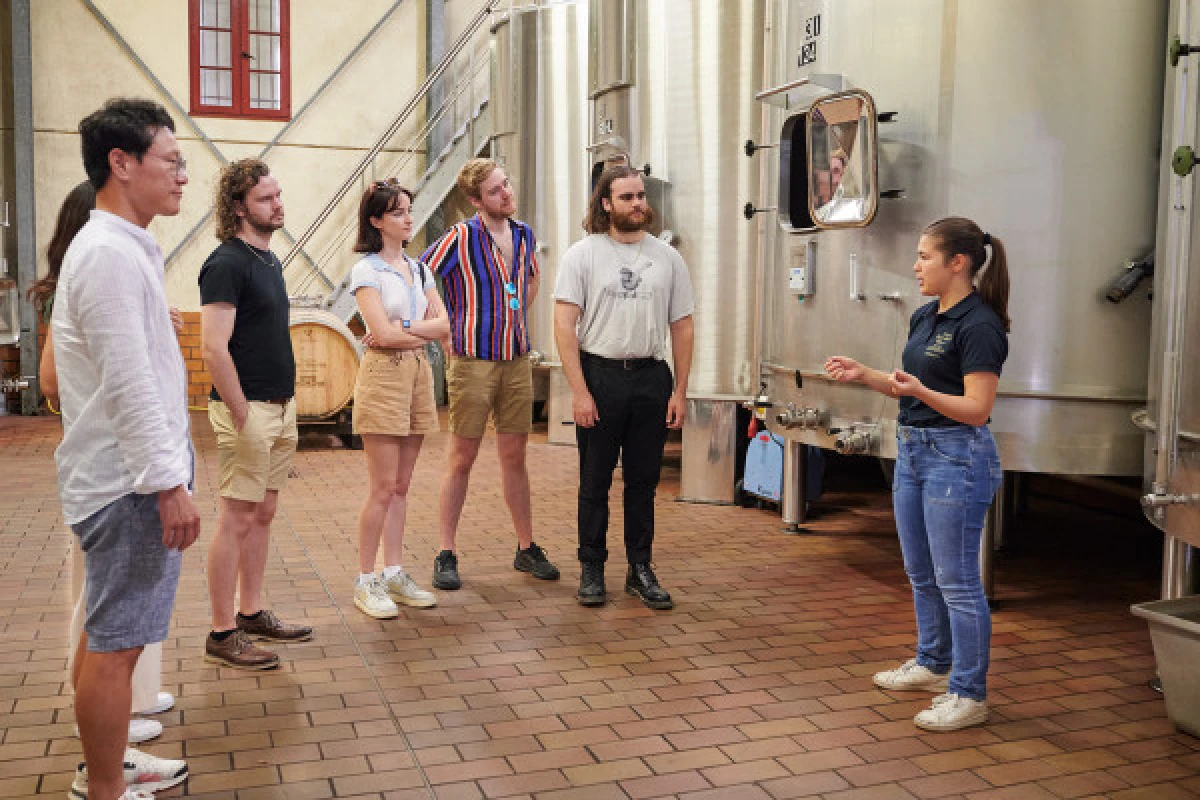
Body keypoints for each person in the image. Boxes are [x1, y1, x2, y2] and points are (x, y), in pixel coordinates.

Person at [55, 97, 199, 800]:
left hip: (122, 481)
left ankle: (105, 762)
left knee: (108, 635)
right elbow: (131, 385)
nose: (182, 176)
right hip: (128, 488)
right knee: (117, 646)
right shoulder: (108, 253)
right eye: (171, 162)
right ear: (122, 163)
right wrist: (168, 484)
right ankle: (107, 787)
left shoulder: (122, 244)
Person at [824, 216, 1008, 732]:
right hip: (913, 452)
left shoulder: (980, 325)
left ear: (959, 262)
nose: (916, 265)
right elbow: (909, 384)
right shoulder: (926, 315)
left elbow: (976, 408)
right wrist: (866, 375)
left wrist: (920, 393)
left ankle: (970, 694)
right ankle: (932, 664)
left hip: (957, 458)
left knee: (959, 583)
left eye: (925, 256)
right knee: (921, 572)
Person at [552, 164, 695, 610]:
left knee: (643, 483)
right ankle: (591, 567)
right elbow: (563, 325)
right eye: (628, 197)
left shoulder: (667, 257)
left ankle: (640, 568)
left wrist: (680, 391)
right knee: (594, 482)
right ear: (606, 204)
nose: (638, 204)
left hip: (652, 378)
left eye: (641, 196)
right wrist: (579, 391)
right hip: (601, 376)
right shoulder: (583, 255)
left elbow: (683, 326)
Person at [421, 158, 560, 589]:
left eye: (507, 184)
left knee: (515, 458)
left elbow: (531, 279)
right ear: (476, 200)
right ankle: (446, 552)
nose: (507, 194)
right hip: (471, 362)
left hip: (516, 359)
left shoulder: (523, 236)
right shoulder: (461, 237)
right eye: (497, 190)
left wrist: (514, 315)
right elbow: (420, 277)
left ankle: (525, 547)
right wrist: (446, 325)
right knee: (462, 458)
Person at [200, 158, 310, 671]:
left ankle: (251, 611)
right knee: (237, 518)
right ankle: (222, 632)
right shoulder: (226, 263)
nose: (278, 203)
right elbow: (213, 349)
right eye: (267, 198)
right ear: (239, 206)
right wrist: (242, 411)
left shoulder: (270, 259)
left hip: (280, 409)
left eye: (279, 194)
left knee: (262, 514)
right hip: (248, 413)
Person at [348, 179, 449, 618]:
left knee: (403, 486)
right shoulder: (366, 270)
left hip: (418, 373)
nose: (408, 218)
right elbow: (380, 334)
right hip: (383, 378)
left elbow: (444, 325)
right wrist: (412, 330)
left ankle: (394, 572)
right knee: (383, 487)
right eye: (397, 212)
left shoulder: (421, 269)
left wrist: (400, 328)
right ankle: (365, 579)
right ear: (376, 221)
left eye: (409, 210)